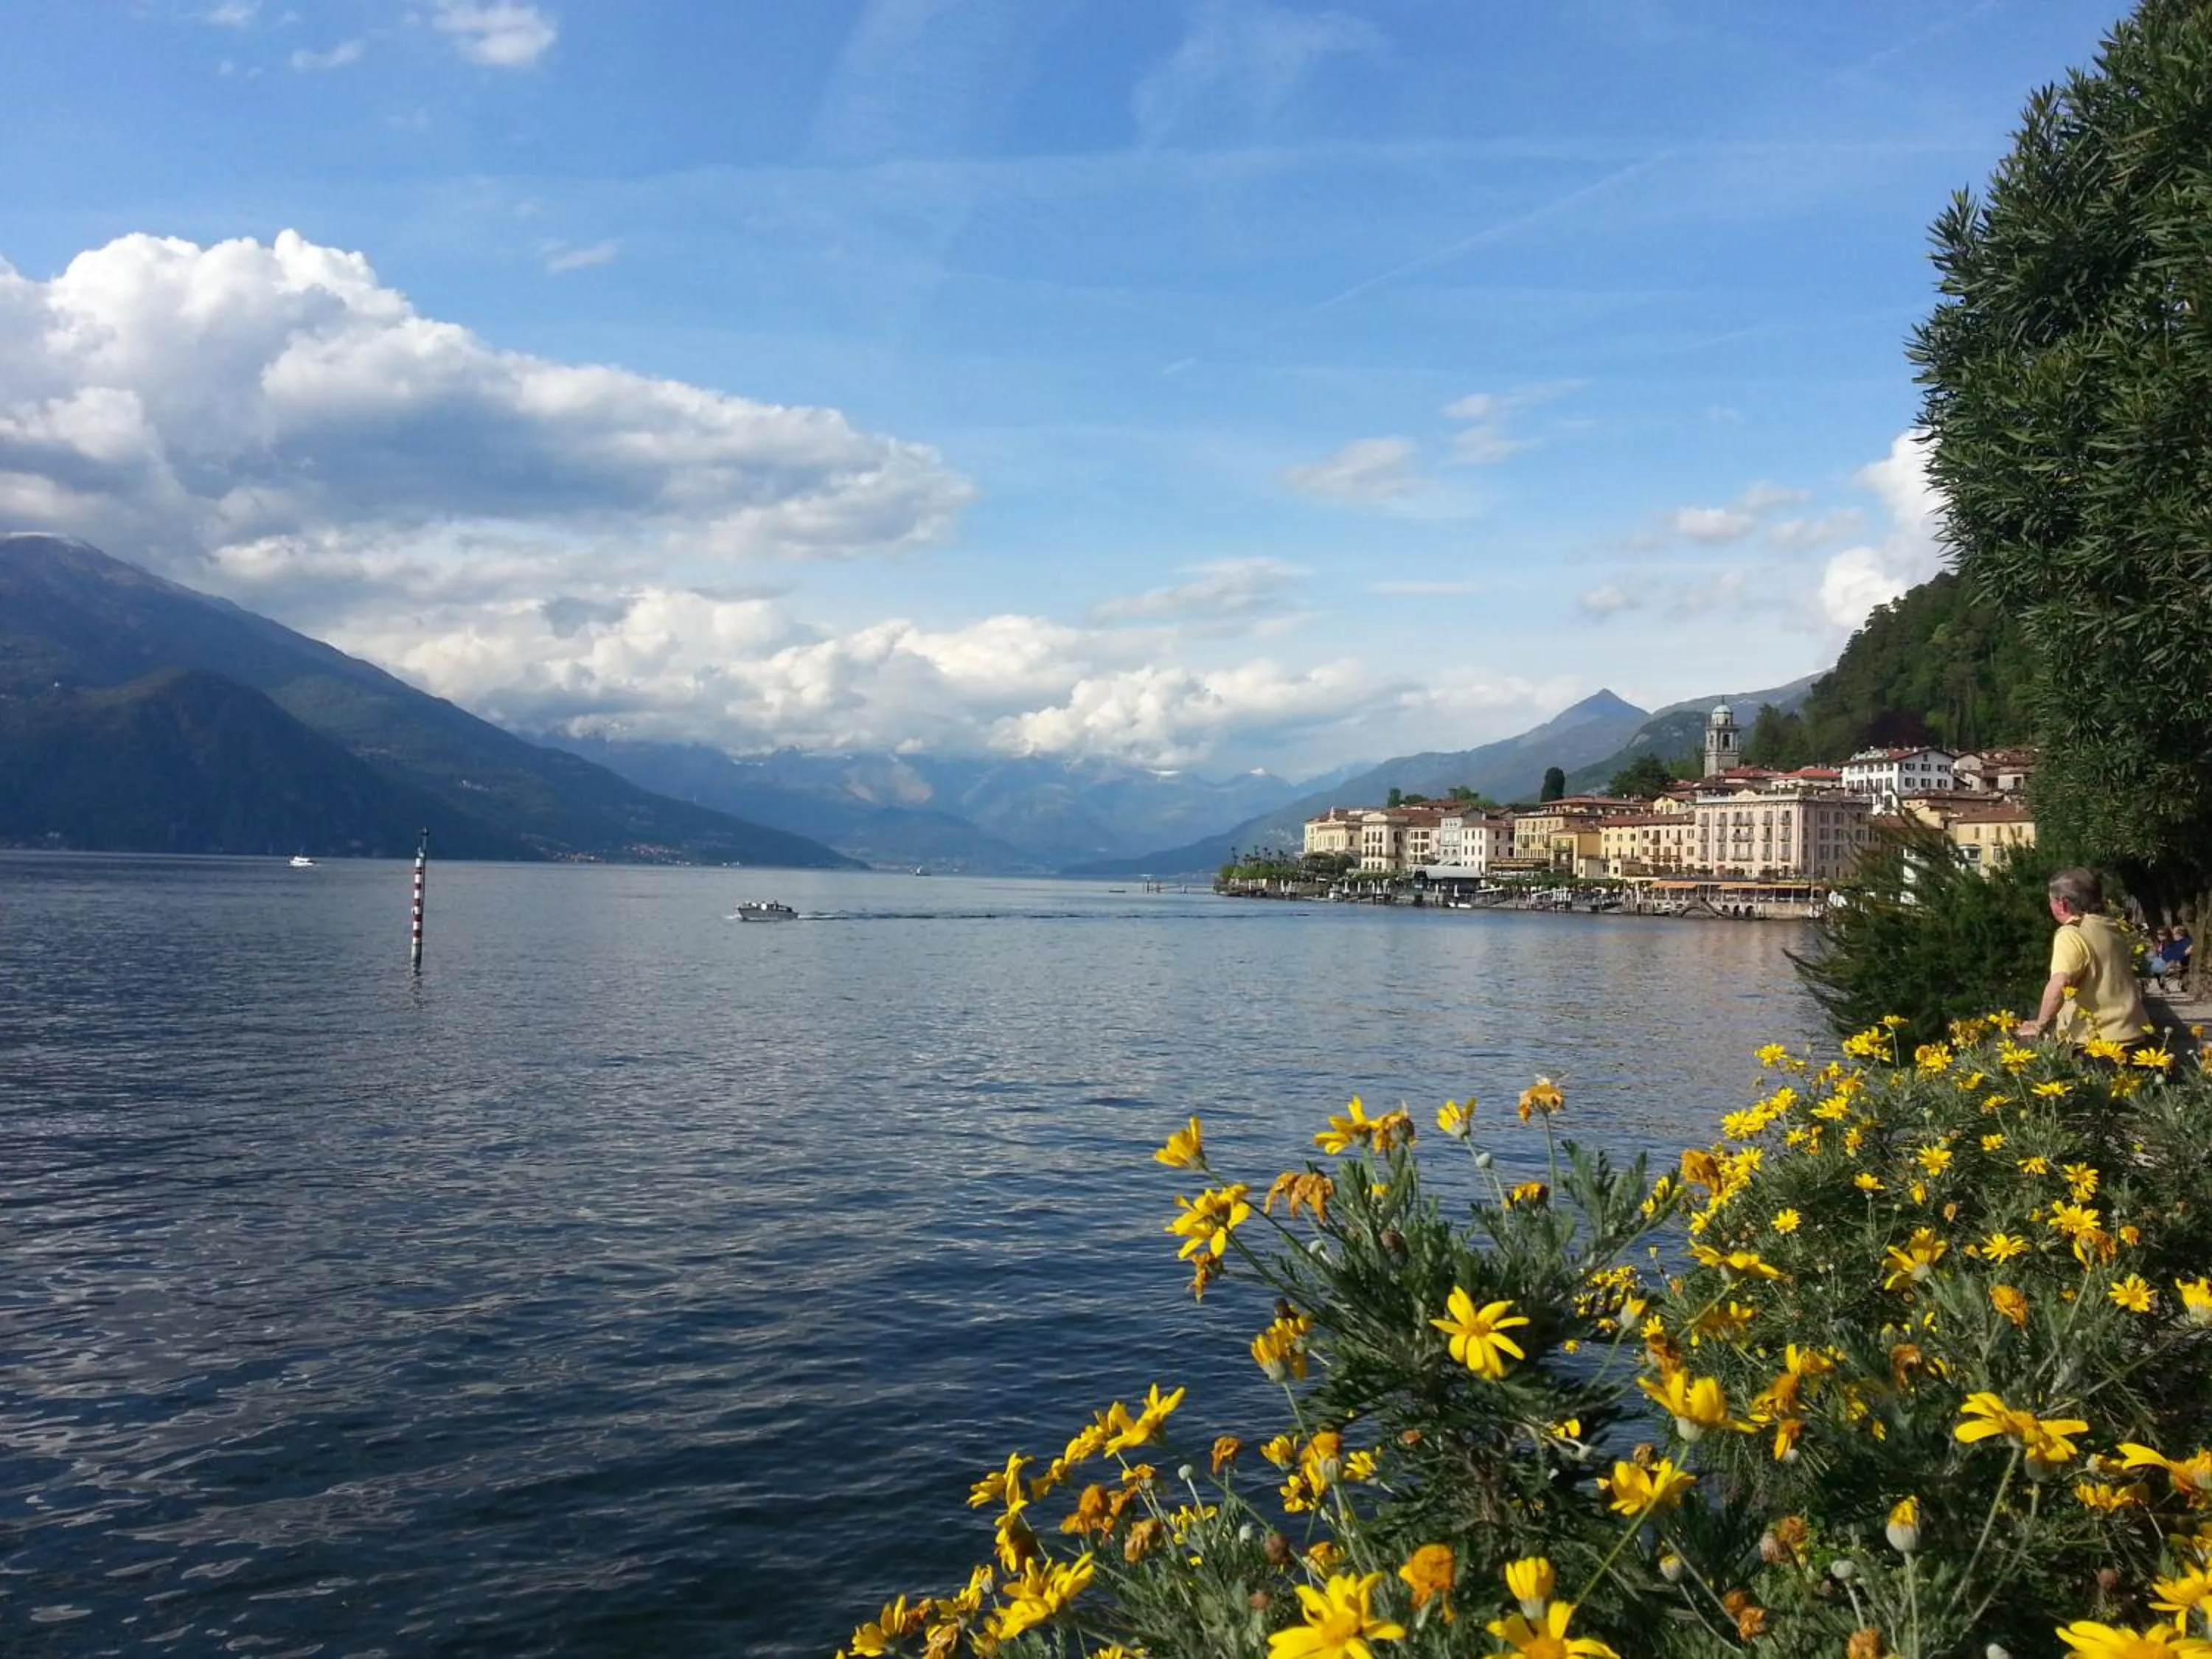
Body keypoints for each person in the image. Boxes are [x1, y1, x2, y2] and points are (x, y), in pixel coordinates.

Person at [2015, 868, 2148, 1046]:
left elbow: (2060, 983)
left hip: (2098, 1043)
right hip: (2132, 1032)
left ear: (2062, 904)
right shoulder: (2110, 927)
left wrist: (2040, 1025)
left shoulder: (2072, 934)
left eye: (2050, 901)